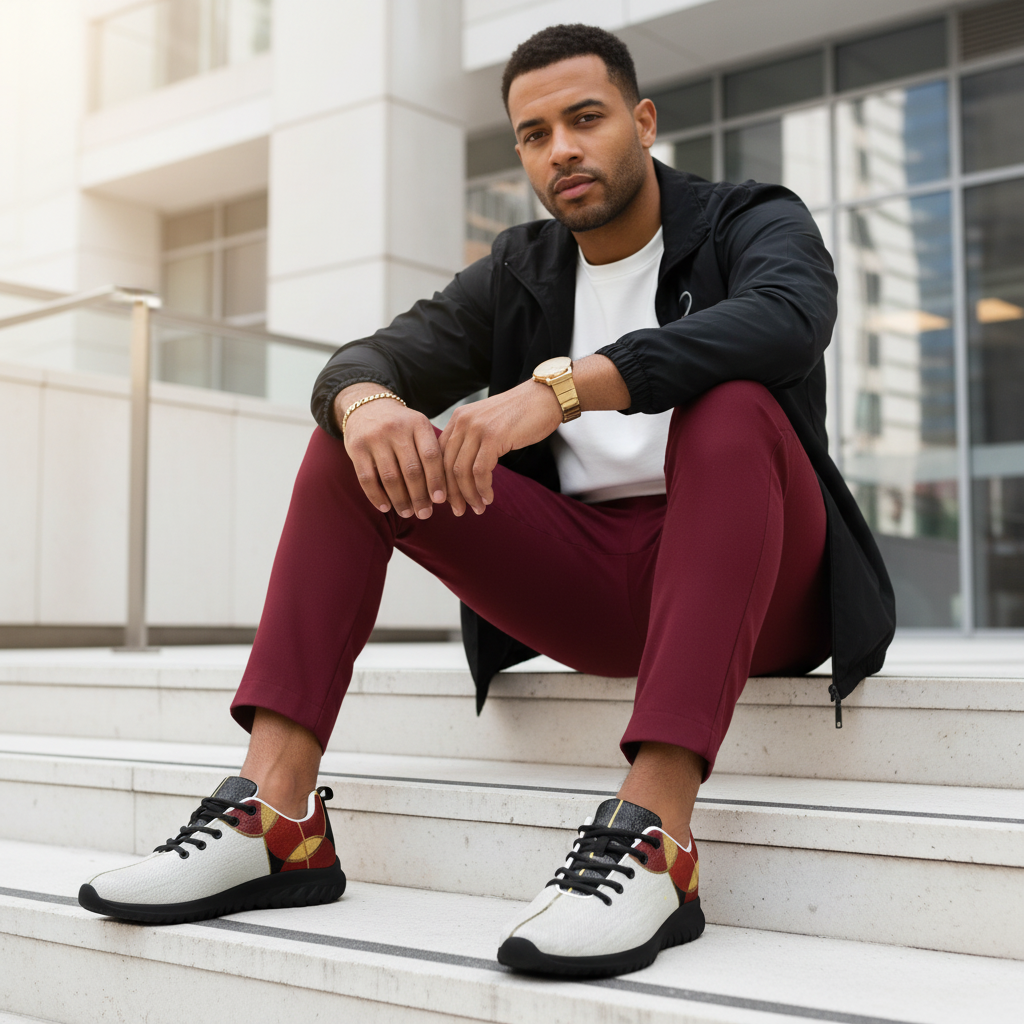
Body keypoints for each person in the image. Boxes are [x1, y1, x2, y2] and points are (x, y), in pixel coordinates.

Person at [78, 23, 894, 978]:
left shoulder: (748, 219)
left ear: (642, 121)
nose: (562, 150)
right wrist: (367, 402)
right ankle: (276, 817)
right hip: (591, 583)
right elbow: (367, 359)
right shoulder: (521, 268)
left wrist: (561, 389)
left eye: (585, 120)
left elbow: (786, 320)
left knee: (732, 407)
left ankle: (656, 839)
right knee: (351, 443)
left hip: (762, 586)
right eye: (535, 134)